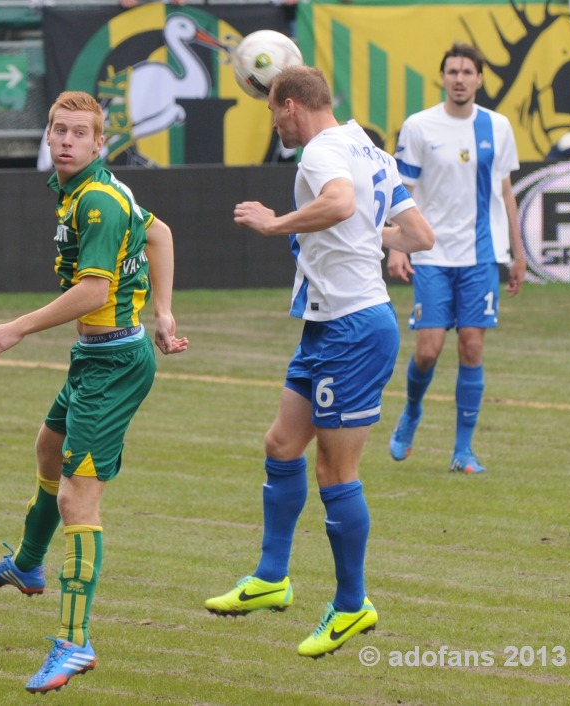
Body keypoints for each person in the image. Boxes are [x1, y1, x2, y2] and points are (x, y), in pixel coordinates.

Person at [204, 66, 435, 659]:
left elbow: (338, 201)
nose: (274, 122)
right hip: (328, 324)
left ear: (288, 106)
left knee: (336, 473)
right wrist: (366, 237)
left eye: (271, 112)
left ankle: (353, 606)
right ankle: (271, 578)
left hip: (354, 329)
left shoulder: (319, 153)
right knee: (282, 444)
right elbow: (418, 234)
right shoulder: (370, 148)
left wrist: (275, 223)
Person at [0, 90, 188, 694]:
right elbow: (162, 233)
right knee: (48, 448)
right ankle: (28, 565)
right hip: (97, 354)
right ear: (48, 138)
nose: (65, 140)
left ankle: (74, 643)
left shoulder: (95, 201)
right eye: (58, 130)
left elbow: (94, 292)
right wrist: (164, 314)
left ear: (99, 143)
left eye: (78, 133)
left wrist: (17, 327)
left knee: (78, 501)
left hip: (113, 361)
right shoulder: (93, 191)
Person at [387, 42, 526, 474]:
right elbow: (400, 193)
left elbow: (506, 192)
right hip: (431, 253)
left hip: (481, 255)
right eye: (453, 72)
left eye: (468, 72)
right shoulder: (419, 126)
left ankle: (462, 451)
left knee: (471, 345)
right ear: (442, 77)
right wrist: (396, 246)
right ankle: (411, 411)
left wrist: (518, 254)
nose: (460, 79)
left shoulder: (498, 127)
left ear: (480, 78)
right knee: (427, 351)